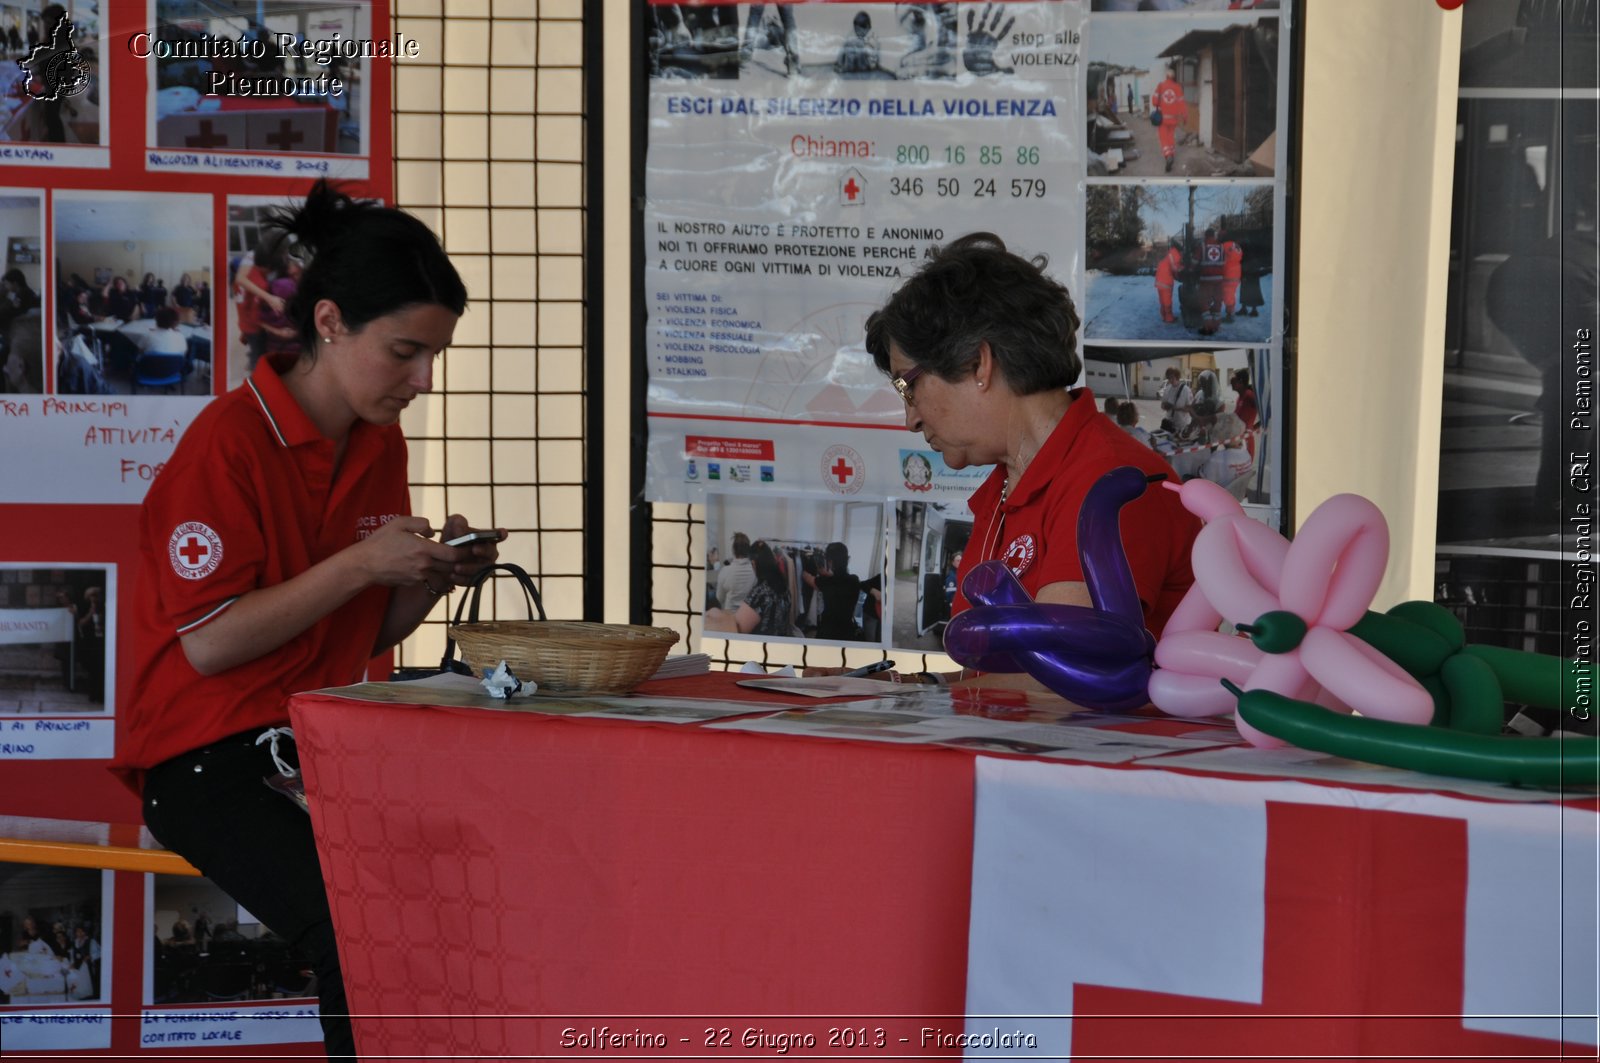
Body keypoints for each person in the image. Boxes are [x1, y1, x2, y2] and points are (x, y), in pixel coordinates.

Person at [114, 180, 497, 1063]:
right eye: (404, 352)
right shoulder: (228, 442)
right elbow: (210, 644)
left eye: (434, 357)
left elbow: (360, 636)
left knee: (445, 906)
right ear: (329, 323)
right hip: (202, 758)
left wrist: (433, 575)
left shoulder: (377, 442)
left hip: (312, 741)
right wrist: (364, 562)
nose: (422, 380)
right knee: (354, 933)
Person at [863, 232, 1199, 690]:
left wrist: (929, 703)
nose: (910, 419)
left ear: (979, 364)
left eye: (908, 386)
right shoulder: (1007, 486)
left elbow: (1060, 684)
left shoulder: (1112, 483)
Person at [1151, 66, 1187, 173]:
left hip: (1163, 119)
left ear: (1166, 76)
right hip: (1173, 119)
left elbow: (1154, 102)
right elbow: (1182, 104)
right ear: (1174, 77)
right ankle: (1172, 154)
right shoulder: (1178, 87)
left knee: (1163, 138)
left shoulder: (1161, 86)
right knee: (1171, 136)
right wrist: (1185, 116)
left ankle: (1168, 156)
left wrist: (1162, 102)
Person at [713, 531, 756, 613]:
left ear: (734, 550)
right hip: (748, 618)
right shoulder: (755, 571)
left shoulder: (725, 571)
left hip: (729, 617)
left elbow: (719, 598)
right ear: (749, 550)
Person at [1197, 227, 1226, 335]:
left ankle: (1208, 328)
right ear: (1214, 235)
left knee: (1204, 302)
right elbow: (1224, 262)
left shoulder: (1203, 246)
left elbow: (1195, 261)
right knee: (1218, 301)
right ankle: (1216, 326)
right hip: (1219, 279)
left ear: (1206, 235)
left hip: (1206, 279)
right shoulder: (1221, 247)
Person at [1230, 368, 1258, 459]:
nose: (1230, 381)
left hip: (1246, 442)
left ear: (1240, 382)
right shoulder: (1239, 398)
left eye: (1233, 379)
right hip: (1238, 441)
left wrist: (1255, 427)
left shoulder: (1249, 395)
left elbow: (1266, 412)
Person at [1154, 240, 1183, 324]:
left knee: (1162, 300)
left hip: (1159, 280)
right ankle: (1169, 318)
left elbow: (1172, 266)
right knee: (1167, 300)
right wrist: (1183, 268)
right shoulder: (1175, 253)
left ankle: (1164, 316)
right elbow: (1175, 268)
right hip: (1166, 280)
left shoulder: (1169, 253)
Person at [1158, 366, 1193, 436]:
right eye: (1168, 377)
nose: (1170, 380)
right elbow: (1162, 405)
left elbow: (1190, 408)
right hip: (1168, 424)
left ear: (1177, 376)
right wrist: (1165, 406)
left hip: (1181, 426)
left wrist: (1176, 408)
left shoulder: (1186, 390)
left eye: (1172, 377)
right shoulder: (1167, 389)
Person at [1220, 234, 1245, 320]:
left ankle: (1230, 315)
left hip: (1228, 272)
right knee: (1231, 293)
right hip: (1237, 272)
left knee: (1227, 294)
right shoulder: (1237, 246)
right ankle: (1230, 311)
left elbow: (1220, 257)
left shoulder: (1225, 245)